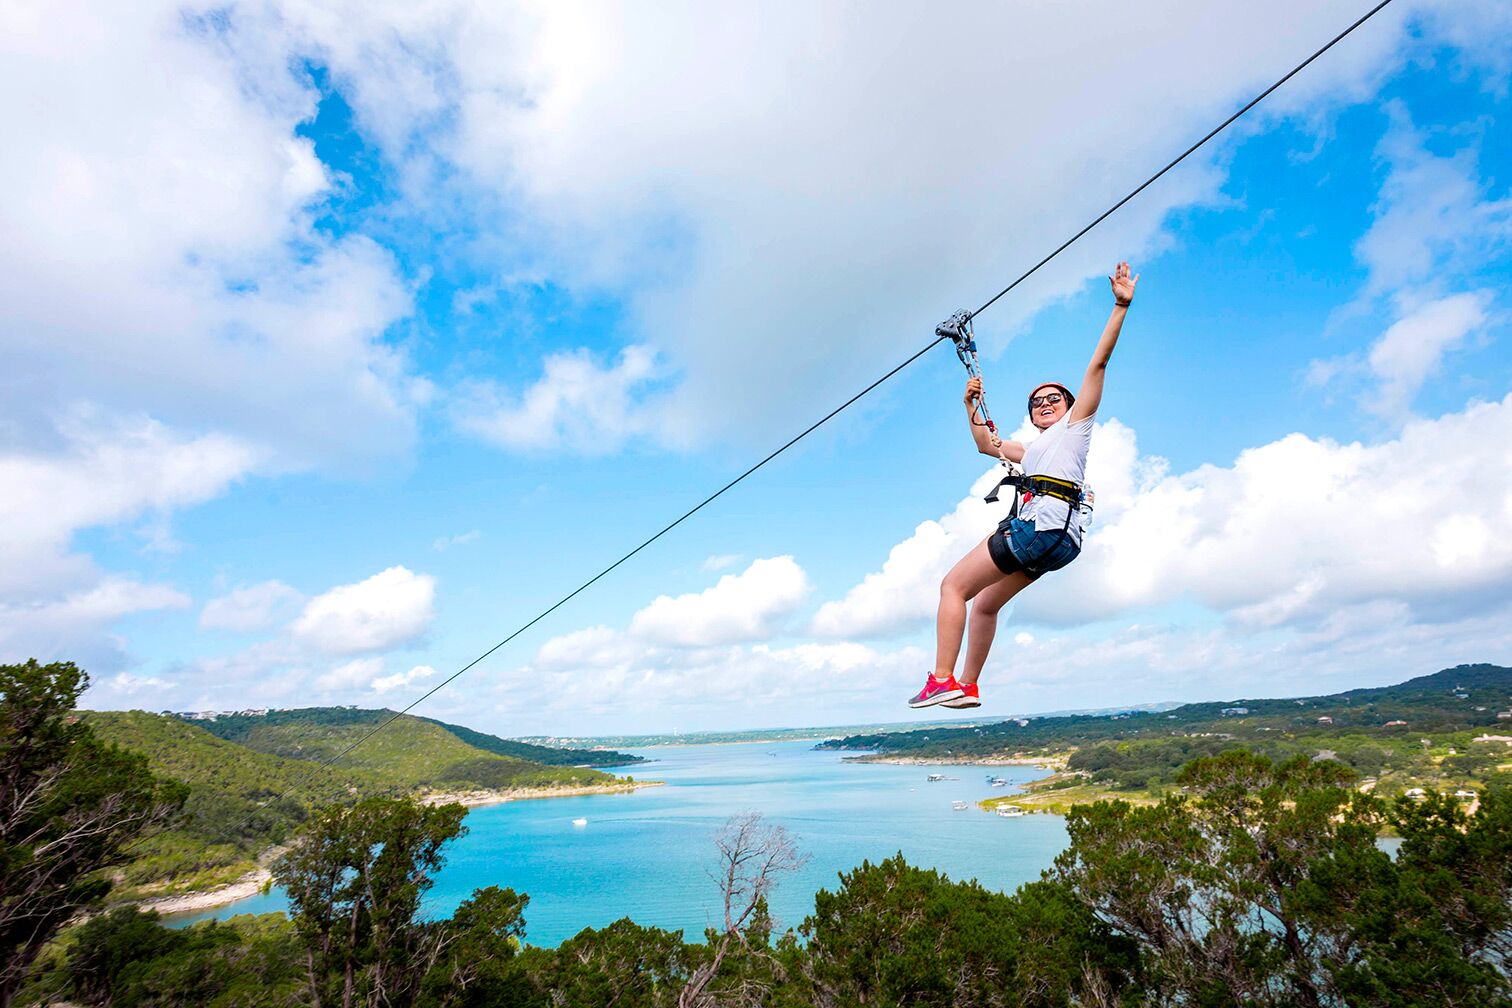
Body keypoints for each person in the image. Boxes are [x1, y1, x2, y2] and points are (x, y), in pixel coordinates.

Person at [909, 261, 1138, 710]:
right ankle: (968, 686)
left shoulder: (1076, 430)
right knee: (986, 605)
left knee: (953, 588)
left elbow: (1098, 363)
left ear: (1072, 407)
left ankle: (940, 679)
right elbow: (984, 444)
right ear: (1032, 416)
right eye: (1037, 402)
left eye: (1055, 398)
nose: (1045, 403)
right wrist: (971, 403)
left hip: (1039, 532)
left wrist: (1120, 306)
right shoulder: (1032, 451)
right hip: (1060, 543)